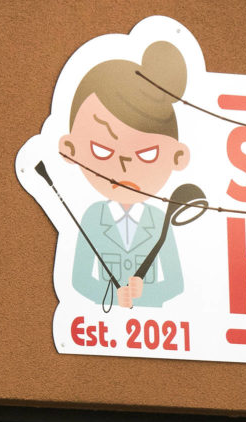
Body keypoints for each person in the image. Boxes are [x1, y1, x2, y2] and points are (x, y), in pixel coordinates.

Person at [59, 41, 191, 308]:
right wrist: (112, 297)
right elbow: (80, 280)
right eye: (101, 150)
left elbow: (176, 283)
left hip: (154, 328)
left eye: (148, 155)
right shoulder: (93, 217)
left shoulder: (160, 221)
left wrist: (145, 295)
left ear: (177, 157)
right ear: (71, 149)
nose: (124, 168)